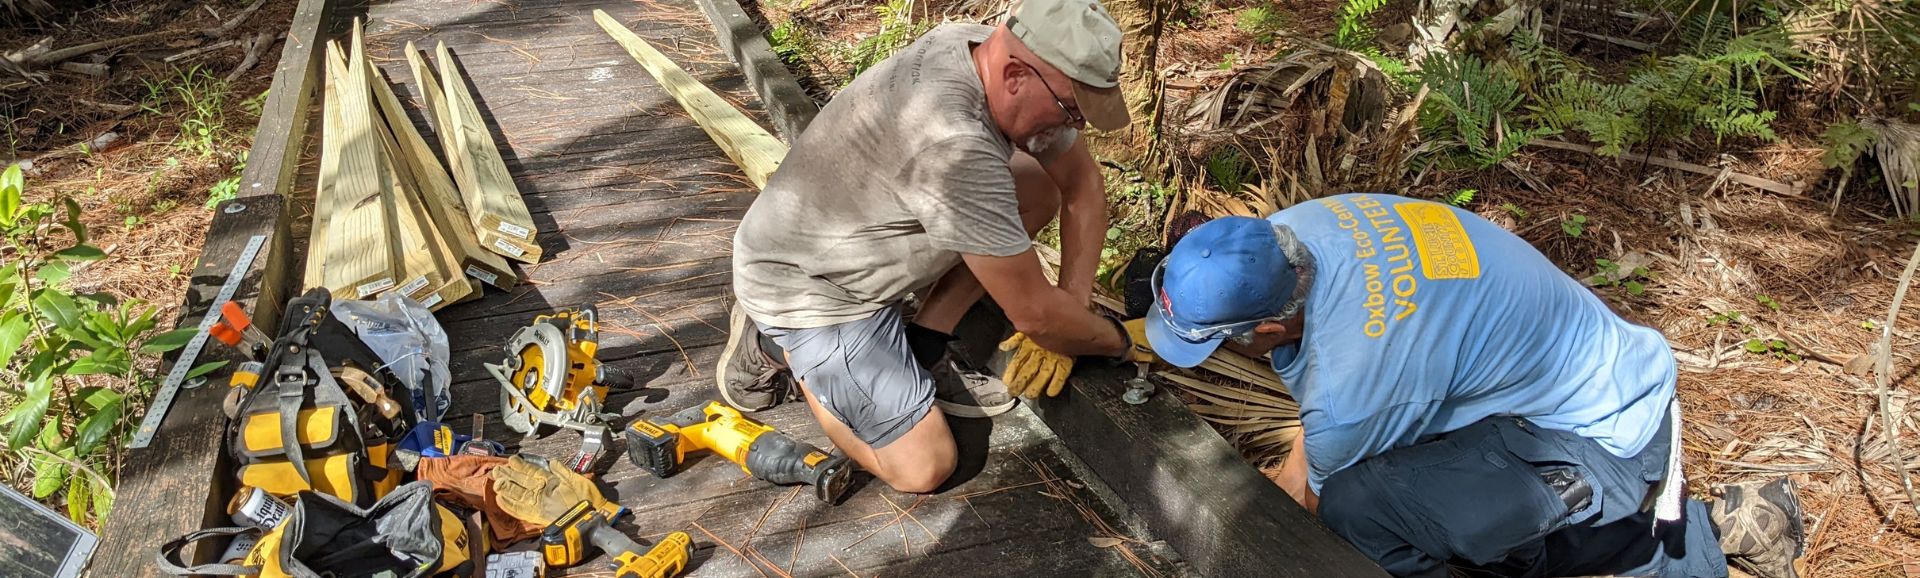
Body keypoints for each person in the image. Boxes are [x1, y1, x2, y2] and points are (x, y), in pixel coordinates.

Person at [1143, 193, 1806, 578]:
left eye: (1225, 340)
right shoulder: (1298, 230)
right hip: (1597, 379)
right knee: (1381, 485)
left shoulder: (1359, 375)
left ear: (1267, 325)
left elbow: (1317, 497)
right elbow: (1312, 444)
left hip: (1604, 442)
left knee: (1359, 512)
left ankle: (1677, 541)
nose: (1227, 355)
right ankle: (1689, 535)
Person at [713, 0, 1140, 493]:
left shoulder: (977, 45)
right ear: (1017, 76)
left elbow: (1081, 186)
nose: (1074, 129)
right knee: (924, 467)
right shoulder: (954, 142)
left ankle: (924, 342)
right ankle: (784, 352)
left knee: (1035, 186)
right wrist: (1118, 341)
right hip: (810, 290)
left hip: (852, 239)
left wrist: (1074, 305)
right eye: (1071, 111)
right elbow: (1036, 317)